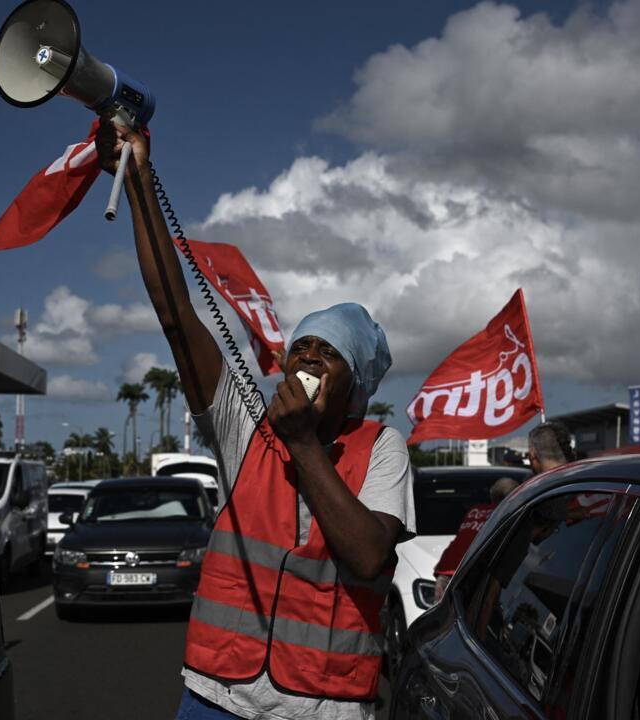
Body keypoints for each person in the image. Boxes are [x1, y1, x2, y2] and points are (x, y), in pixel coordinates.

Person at [97, 120, 414, 720]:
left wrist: (301, 443)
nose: (309, 359)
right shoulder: (246, 429)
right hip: (218, 694)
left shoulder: (383, 448)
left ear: (355, 388)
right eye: (302, 348)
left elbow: (370, 556)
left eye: (330, 354)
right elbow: (173, 311)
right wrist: (138, 180)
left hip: (324, 706)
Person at [431, 476, 520, 602]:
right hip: (467, 575)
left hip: (445, 569)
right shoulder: (506, 514)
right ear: (513, 497)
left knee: (443, 617)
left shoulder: (475, 509)